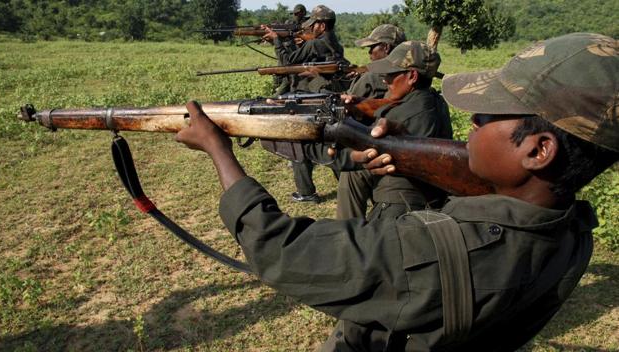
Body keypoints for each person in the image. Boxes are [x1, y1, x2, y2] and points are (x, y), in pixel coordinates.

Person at [175, 32, 618, 351]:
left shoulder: (425, 251)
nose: (473, 123)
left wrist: (218, 150)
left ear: (539, 150)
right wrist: (402, 147)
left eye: (488, 115)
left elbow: (280, 248)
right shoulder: (574, 232)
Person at [341, 40, 453, 220]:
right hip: (424, 193)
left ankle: (348, 233)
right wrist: (360, 106)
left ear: (412, 76)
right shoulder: (433, 100)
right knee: (354, 176)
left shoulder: (405, 113)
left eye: (390, 74)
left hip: (402, 202)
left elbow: (362, 150)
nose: (385, 80)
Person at [264, 4, 348, 203]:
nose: (311, 28)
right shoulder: (334, 43)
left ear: (321, 25)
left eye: (314, 24)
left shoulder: (315, 44)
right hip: (327, 96)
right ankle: (344, 186)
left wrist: (277, 40)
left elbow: (287, 64)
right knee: (330, 142)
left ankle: (306, 192)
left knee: (298, 141)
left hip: (312, 96)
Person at [336, 24, 407, 219]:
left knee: (349, 172)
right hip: (393, 146)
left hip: (382, 148)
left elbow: (349, 104)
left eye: (372, 47)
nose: (369, 52)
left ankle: (347, 231)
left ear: (386, 48)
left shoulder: (372, 77)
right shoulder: (406, 77)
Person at [273, 4, 309, 96]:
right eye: (294, 14)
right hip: (287, 61)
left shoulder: (309, 25)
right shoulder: (289, 24)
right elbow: (283, 43)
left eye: (298, 14)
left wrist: (302, 40)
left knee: (291, 87)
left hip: (299, 64)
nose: (296, 16)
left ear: (303, 13)